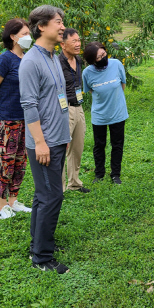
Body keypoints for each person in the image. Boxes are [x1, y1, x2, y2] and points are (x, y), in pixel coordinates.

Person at [19, 5, 71, 274]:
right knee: (52, 196)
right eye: (58, 22)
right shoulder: (31, 62)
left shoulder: (51, 56)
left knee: (44, 196)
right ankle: (42, 258)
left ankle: (37, 246)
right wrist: (40, 142)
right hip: (45, 142)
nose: (63, 27)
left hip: (57, 138)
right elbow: (29, 105)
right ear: (42, 26)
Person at [0, 18, 33, 220]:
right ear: (13, 37)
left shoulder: (26, 59)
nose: (28, 37)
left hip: (25, 119)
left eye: (28, 33)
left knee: (20, 161)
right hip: (6, 120)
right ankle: (2, 205)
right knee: (4, 162)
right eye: (24, 34)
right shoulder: (5, 60)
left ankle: (14, 200)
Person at [82, 42, 129, 185]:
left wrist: (115, 100)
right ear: (92, 61)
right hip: (99, 115)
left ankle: (115, 174)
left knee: (117, 144)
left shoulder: (116, 64)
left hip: (118, 113)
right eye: (99, 57)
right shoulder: (87, 73)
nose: (103, 58)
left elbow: (122, 84)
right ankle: (99, 174)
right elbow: (89, 90)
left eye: (104, 54)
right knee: (99, 145)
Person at [58, 28, 90, 193]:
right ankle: (60, 188)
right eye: (74, 41)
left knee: (77, 147)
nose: (78, 44)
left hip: (78, 107)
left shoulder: (77, 60)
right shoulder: (57, 62)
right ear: (63, 44)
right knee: (62, 149)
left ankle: (74, 183)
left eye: (79, 40)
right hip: (64, 109)